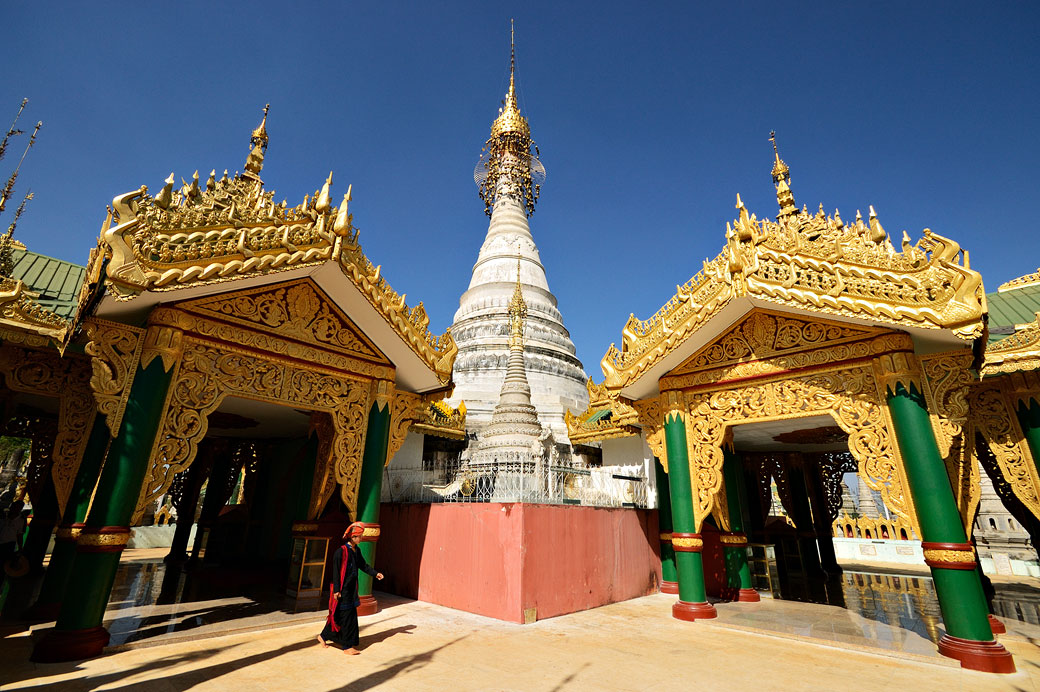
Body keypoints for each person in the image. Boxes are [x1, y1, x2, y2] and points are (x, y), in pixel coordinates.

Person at [317, 522, 384, 655]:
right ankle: (347, 647)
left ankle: (323, 636)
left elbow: (363, 566)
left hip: (352, 589)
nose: (361, 538)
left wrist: (375, 573)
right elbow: (336, 572)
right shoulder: (340, 552)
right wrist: (337, 590)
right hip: (342, 590)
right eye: (360, 536)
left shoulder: (356, 551)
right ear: (353, 537)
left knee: (345, 615)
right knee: (346, 616)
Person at [0, 500, 26, 587]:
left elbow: (19, 535)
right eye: (13, 506)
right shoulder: (3, 516)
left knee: (3, 566)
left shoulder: (21, 520)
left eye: (17, 507)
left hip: (8, 545)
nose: (13, 509)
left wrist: (20, 547)